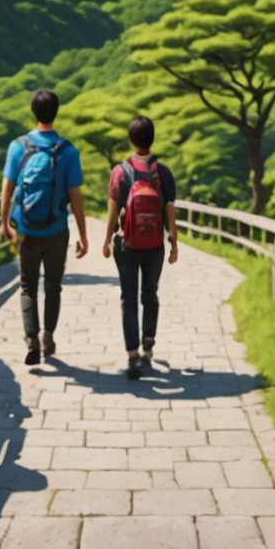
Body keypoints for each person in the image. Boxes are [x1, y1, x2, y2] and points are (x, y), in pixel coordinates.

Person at [0, 89, 88, 366]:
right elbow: (75, 197)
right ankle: (47, 336)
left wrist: (4, 222)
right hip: (57, 231)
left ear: (33, 111)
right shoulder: (67, 150)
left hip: (27, 230)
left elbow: (7, 188)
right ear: (56, 112)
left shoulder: (18, 146)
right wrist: (84, 237)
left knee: (27, 287)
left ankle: (31, 340)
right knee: (53, 286)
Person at [102, 115, 179, 380]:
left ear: (131, 139)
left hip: (126, 243)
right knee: (150, 293)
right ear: (152, 138)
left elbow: (113, 209)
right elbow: (169, 209)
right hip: (155, 245)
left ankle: (133, 356)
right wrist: (174, 244)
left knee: (128, 298)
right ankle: (148, 339)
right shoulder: (162, 172)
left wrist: (106, 239)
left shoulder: (120, 172)